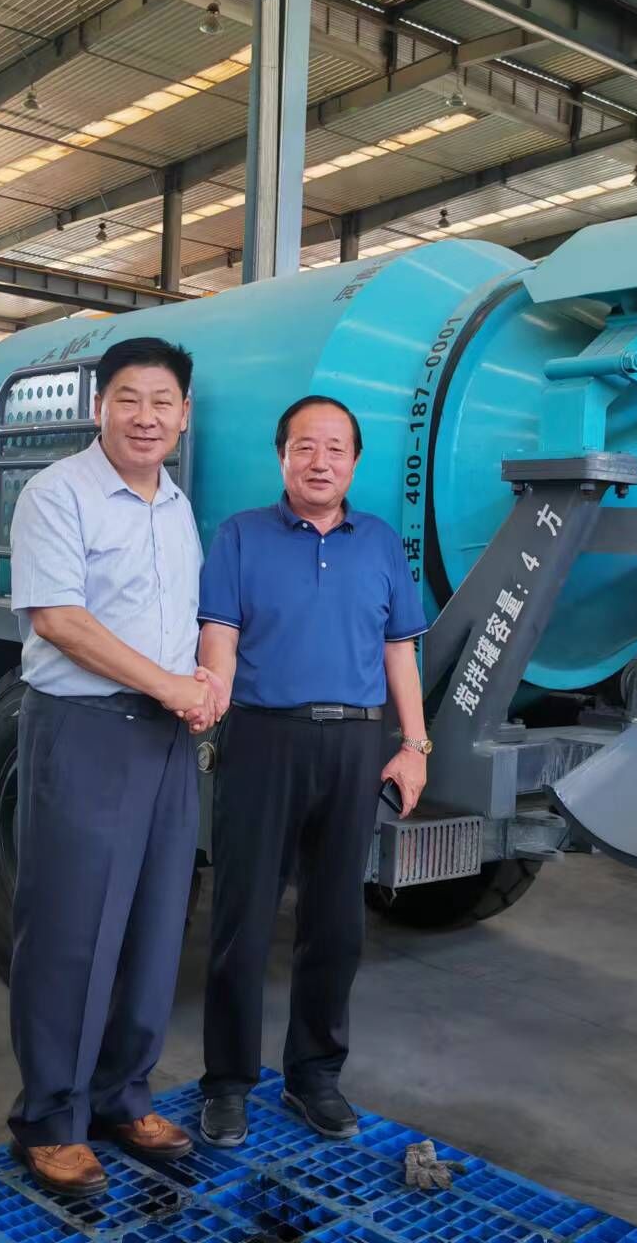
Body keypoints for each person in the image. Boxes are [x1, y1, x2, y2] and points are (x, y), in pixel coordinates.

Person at [6, 336, 219, 1197]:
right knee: (71, 931)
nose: (145, 416)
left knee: (155, 923)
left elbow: (184, 617)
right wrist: (171, 685)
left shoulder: (177, 505)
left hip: (166, 739)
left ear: (184, 415)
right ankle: (49, 1120)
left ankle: (122, 1097)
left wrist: (201, 684)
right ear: (99, 406)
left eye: (162, 401)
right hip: (86, 730)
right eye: (128, 398)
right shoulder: (57, 494)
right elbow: (59, 620)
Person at [193, 394, 432, 1146]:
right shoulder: (240, 536)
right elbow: (219, 637)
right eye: (304, 447)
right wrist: (211, 706)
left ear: (355, 462)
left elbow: (400, 650)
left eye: (335, 448)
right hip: (262, 738)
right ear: (282, 457)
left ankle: (315, 1076)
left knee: (335, 922)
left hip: (355, 744)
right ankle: (228, 1083)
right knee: (242, 918)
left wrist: (415, 746)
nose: (319, 461)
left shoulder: (380, 543)